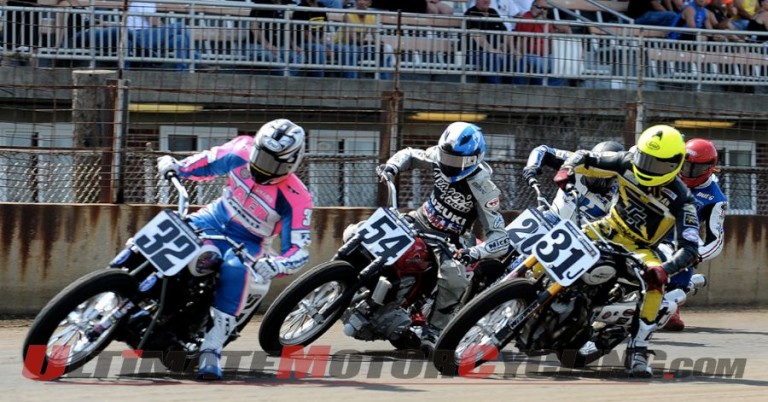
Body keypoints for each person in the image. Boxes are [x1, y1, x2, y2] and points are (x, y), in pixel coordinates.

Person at [156, 119, 313, 380]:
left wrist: (277, 265)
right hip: (211, 218)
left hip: (248, 242)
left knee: (235, 270)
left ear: (291, 163)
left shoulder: (298, 197)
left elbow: (299, 250)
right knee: (168, 228)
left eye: (273, 163)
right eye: (260, 157)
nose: (262, 167)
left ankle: (211, 348)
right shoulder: (240, 149)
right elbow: (206, 163)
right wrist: (178, 168)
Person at [553, 125, 701, 377]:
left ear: (675, 164)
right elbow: (584, 156)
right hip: (606, 227)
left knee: (654, 287)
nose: (646, 167)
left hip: (640, 249)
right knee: (557, 236)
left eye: (656, 164)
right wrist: (567, 169)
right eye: (644, 158)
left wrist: (664, 270)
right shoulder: (627, 161)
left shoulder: (683, 200)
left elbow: (690, 249)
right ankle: (519, 285)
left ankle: (638, 349)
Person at [375, 122, 510, 354]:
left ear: (473, 159)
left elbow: (500, 238)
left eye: (455, 161)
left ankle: (434, 330)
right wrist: (392, 167)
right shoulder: (439, 156)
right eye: (446, 156)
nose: (448, 164)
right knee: (356, 231)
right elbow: (408, 154)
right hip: (420, 218)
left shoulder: (485, 188)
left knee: (454, 278)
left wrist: (475, 252)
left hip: (450, 239)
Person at [664, 138, 727, 331]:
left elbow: (716, 239)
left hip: (679, 236)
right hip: (649, 228)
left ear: (710, 167)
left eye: (696, 169)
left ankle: (671, 306)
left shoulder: (716, 198)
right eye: (686, 166)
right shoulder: (665, 173)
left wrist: (696, 254)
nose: (689, 172)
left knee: (687, 249)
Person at [522, 141, 625, 223]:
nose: (595, 178)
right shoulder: (576, 162)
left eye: (602, 176)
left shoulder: (621, 192)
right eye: (592, 172)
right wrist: (532, 166)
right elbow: (543, 150)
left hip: (583, 237)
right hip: (550, 217)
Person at [513, 0, 571, 86]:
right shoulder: (527, 19)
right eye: (539, 7)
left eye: (545, 8)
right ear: (532, 7)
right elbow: (521, 41)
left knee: (562, 65)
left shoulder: (546, 21)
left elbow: (563, 30)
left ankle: (549, 88)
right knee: (541, 64)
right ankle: (543, 88)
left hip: (546, 54)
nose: (542, 10)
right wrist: (520, 54)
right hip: (530, 54)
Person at [334, 0, 394, 79]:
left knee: (386, 49)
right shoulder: (348, 15)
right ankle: (352, 81)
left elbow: (376, 37)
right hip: (341, 46)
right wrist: (369, 42)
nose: (361, 2)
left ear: (369, 3)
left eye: (365, 0)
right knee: (353, 49)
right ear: (355, 2)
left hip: (359, 47)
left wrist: (379, 44)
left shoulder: (372, 16)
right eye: (359, 0)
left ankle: (384, 82)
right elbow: (352, 40)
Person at [465, 0, 515, 84]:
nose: (486, 1)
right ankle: (496, 90)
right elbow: (476, 34)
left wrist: (512, 49)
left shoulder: (493, 12)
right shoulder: (471, 13)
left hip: (497, 52)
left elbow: (505, 32)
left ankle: (515, 91)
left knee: (517, 59)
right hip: (476, 53)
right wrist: (491, 49)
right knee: (494, 59)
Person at [250, 0, 302, 76]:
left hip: (280, 47)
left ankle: (288, 80)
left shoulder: (286, 4)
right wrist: (267, 45)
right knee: (274, 57)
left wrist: (293, 45)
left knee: (299, 55)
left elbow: (287, 29)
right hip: (258, 46)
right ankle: (289, 82)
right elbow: (253, 26)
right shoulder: (260, 4)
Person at [292, 0, 330, 77]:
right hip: (302, 43)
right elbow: (305, 34)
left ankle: (349, 81)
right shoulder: (301, 8)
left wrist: (325, 44)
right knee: (318, 48)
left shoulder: (321, 6)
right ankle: (318, 82)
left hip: (319, 43)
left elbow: (324, 29)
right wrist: (322, 45)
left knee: (346, 49)